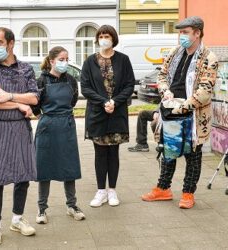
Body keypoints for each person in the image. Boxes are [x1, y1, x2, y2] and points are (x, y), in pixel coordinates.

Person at [141, 16, 218, 209]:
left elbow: (204, 92)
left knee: (193, 154)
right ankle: (163, 188)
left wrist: (181, 107)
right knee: (168, 151)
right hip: (170, 108)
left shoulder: (209, 58)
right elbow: (162, 74)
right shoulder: (176, 52)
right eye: (180, 32)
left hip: (193, 114)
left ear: (197, 33)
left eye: (185, 32)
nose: (181, 36)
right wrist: (165, 90)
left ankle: (188, 193)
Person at [0, 27, 39, 245]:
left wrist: (9, 96)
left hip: (20, 129)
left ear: (11, 43)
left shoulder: (26, 69)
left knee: (22, 176)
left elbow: (34, 98)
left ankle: (17, 218)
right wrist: (18, 105)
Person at [80, 25, 135, 208]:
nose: (104, 39)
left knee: (113, 152)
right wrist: (104, 101)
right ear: (97, 39)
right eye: (101, 36)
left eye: (107, 36)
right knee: (100, 153)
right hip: (97, 113)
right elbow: (85, 87)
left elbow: (129, 85)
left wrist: (115, 102)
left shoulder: (123, 60)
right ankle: (100, 191)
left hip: (117, 113)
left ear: (113, 39)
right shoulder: (89, 61)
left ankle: (112, 190)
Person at [33, 46, 84, 224]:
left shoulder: (70, 80)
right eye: (62, 59)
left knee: (69, 166)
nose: (65, 62)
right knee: (44, 167)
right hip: (47, 127)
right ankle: (42, 209)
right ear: (52, 60)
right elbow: (34, 105)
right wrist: (45, 117)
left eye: (67, 59)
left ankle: (72, 205)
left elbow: (73, 100)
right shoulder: (41, 80)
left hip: (66, 125)